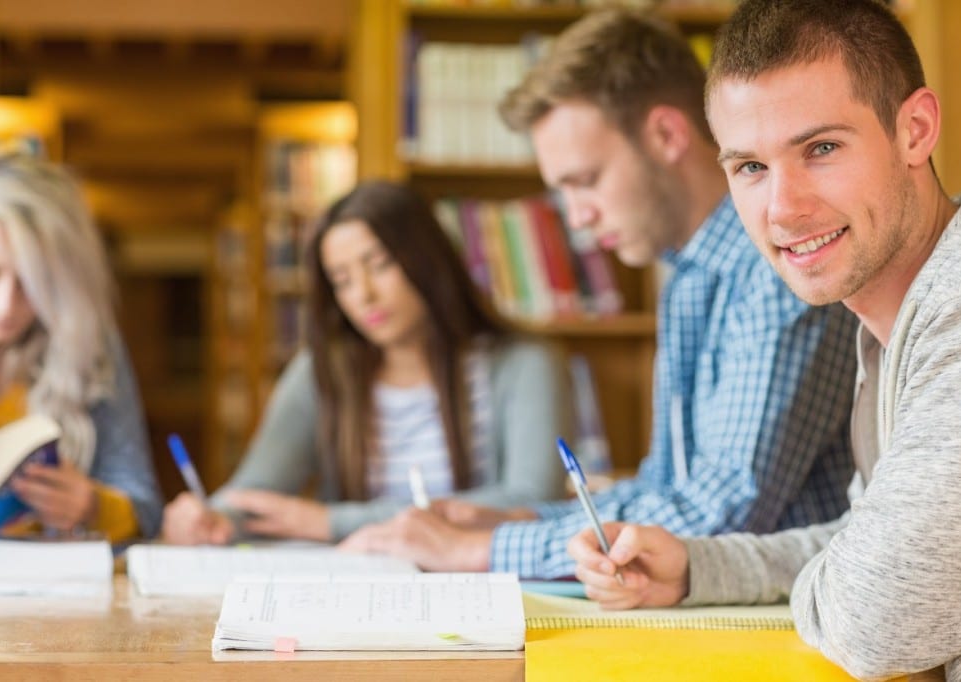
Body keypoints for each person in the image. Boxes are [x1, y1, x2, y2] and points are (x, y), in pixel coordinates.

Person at [339, 8, 859, 579]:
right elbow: (667, 487)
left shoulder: (779, 266)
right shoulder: (687, 274)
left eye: (585, 181)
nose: (577, 217)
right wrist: (516, 520)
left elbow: (722, 510)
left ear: (666, 134)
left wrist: (476, 552)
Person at [568, 0, 961, 679]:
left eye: (821, 149)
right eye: (750, 168)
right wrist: (697, 567)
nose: (783, 209)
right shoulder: (894, 320)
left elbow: (876, 615)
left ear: (915, 130)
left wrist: (848, 581)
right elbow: (870, 544)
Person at [162, 180, 571, 544]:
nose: (363, 295)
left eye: (379, 266)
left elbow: (531, 499)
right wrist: (211, 517)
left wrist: (330, 522)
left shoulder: (524, 364)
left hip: (482, 589)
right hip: (359, 590)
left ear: (428, 260)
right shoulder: (320, 371)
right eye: (341, 280)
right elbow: (256, 491)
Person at [0, 145, 162, 543]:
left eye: (33, 283)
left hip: (50, 592)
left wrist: (92, 506)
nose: (5, 305)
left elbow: (147, 509)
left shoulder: (89, 345)